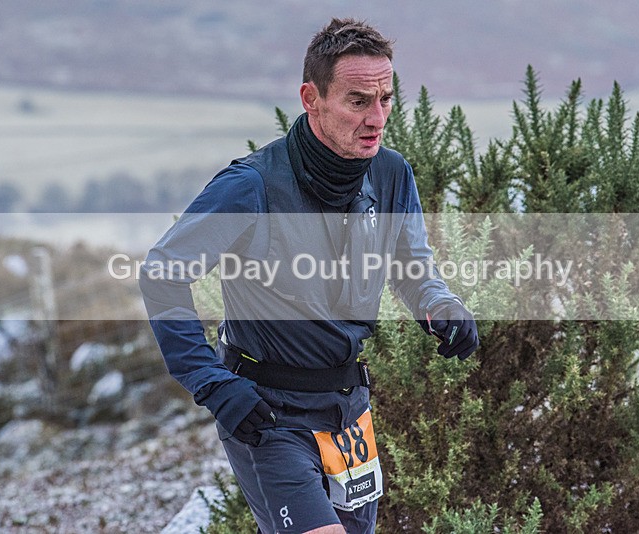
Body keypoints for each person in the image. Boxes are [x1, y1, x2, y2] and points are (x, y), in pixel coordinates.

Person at [139, 18, 479, 534]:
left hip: (349, 416)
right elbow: (163, 272)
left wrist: (441, 305)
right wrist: (212, 383)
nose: (377, 117)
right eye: (358, 100)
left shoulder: (391, 174)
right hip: (268, 413)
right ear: (311, 97)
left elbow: (413, 268)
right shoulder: (250, 186)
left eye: (386, 98)